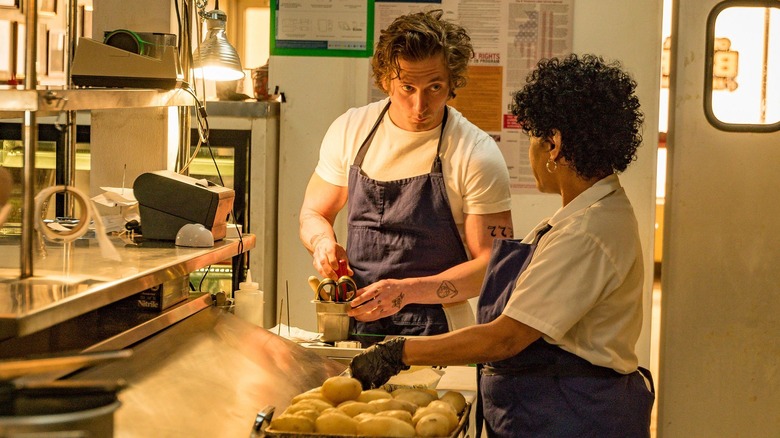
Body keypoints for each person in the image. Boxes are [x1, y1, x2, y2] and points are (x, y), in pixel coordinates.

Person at [350, 54, 655, 437]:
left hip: (571, 415)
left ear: (554, 144)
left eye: (532, 137)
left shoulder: (586, 231)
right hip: (552, 410)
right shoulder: (584, 216)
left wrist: (399, 353)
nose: (530, 151)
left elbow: (505, 337)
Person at [299, 10, 513, 339]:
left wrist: (408, 292)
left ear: (453, 82)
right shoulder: (351, 130)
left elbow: (492, 265)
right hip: (356, 323)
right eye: (407, 87)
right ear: (386, 80)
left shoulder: (475, 153)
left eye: (435, 87)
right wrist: (322, 243)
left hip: (439, 332)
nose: (419, 105)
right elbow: (314, 213)